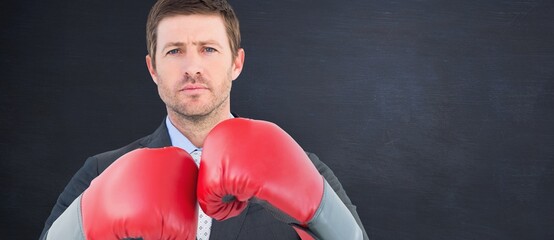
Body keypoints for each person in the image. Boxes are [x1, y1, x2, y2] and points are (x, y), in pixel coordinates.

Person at [39, 0, 369, 239]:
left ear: (236, 63)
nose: (192, 67)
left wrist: (327, 220)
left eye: (208, 49)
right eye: (174, 51)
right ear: (152, 68)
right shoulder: (101, 172)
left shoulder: (303, 169)